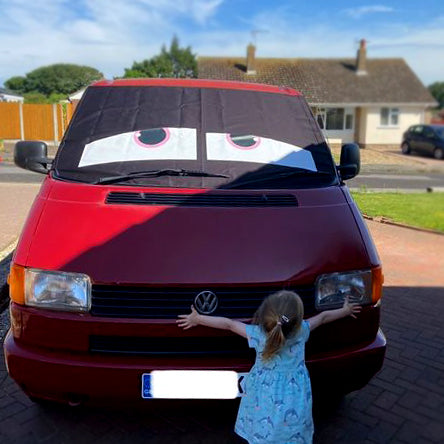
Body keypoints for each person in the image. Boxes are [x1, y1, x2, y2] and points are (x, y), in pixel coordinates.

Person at [176, 290, 362, 444]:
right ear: (296, 321)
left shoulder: (257, 334)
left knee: (262, 421)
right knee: (292, 424)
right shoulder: (302, 331)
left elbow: (229, 324)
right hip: (293, 393)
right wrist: (345, 310)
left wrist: (198, 319)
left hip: (263, 393)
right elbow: (323, 318)